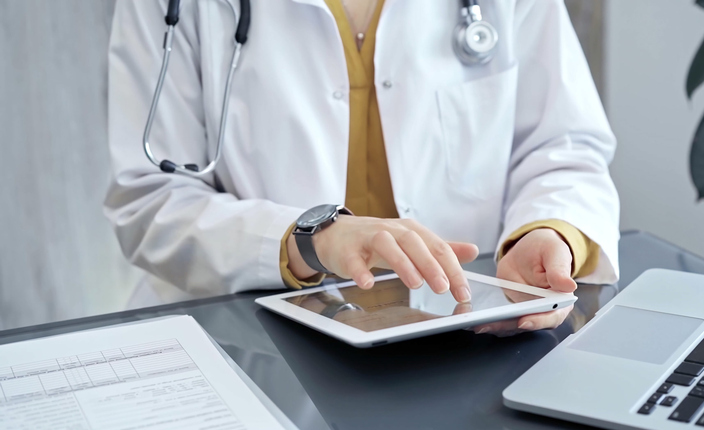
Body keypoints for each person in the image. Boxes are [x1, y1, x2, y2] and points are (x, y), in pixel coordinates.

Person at [105, 0, 619, 334]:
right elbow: (151, 200)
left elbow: (564, 146)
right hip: (248, 338)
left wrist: (549, 231)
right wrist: (308, 240)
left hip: (469, 329)